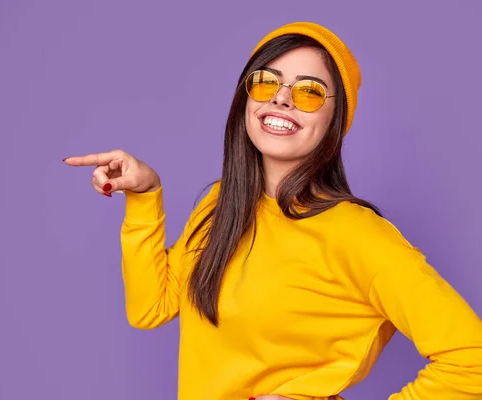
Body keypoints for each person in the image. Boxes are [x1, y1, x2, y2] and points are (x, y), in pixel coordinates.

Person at [63, 21, 482, 400]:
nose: (282, 99)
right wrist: (145, 196)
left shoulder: (357, 233)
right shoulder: (220, 203)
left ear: (338, 119)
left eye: (310, 91)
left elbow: (472, 362)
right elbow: (150, 308)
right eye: (266, 82)